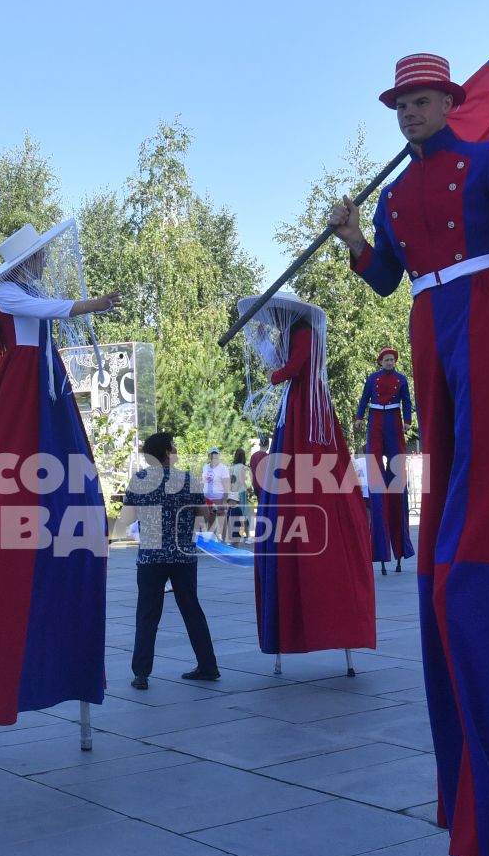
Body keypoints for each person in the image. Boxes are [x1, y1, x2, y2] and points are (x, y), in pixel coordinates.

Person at [330, 52, 489, 856]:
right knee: (443, 443)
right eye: (401, 105)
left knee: (487, 434)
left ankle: (486, 533)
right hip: (427, 312)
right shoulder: (392, 195)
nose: (409, 115)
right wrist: (355, 240)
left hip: (486, 298)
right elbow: (387, 280)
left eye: (420, 102)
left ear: (448, 101)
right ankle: (448, 532)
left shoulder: (487, 160)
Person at [0, 221, 114, 724]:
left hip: (47, 386)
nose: (44, 263)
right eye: (37, 256)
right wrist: (89, 306)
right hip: (24, 391)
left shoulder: (25, 292)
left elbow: (47, 314)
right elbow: (46, 311)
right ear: (23, 261)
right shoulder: (8, 293)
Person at [242, 290, 376, 661]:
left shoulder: (305, 334)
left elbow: (293, 368)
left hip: (307, 407)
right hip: (294, 405)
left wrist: (274, 373)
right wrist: (259, 342)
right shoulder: (290, 335)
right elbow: (280, 362)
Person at [122, 432, 219, 688]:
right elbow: (203, 517)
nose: (176, 450)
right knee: (191, 610)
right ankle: (208, 665)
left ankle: (141, 673)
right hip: (182, 555)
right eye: (173, 447)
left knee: (147, 614)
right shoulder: (187, 479)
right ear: (166, 452)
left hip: (151, 556)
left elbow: (128, 517)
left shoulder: (139, 480)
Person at [355, 346, 416, 574]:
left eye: (392, 359)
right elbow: (364, 399)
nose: (390, 362)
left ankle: (400, 547)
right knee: (374, 462)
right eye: (387, 359)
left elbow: (407, 401)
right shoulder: (373, 379)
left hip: (393, 418)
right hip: (376, 419)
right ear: (381, 361)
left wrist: (408, 420)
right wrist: (360, 417)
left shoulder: (401, 379)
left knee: (396, 464)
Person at [200, 449, 231, 540]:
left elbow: (226, 484)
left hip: (219, 498)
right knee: (210, 519)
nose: (214, 458)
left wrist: (225, 500)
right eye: (212, 456)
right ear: (209, 457)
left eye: (216, 456)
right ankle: (210, 541)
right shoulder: (205, 467)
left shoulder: (223, 468)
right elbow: (204, 481)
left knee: (222, 520)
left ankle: (224, 541)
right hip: (208, 498)